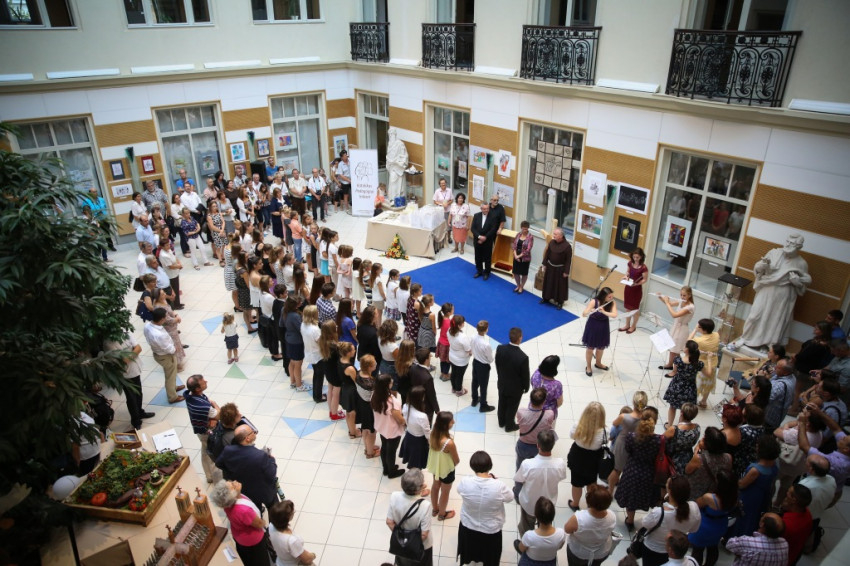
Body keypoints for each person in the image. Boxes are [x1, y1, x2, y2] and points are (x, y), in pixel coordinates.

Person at [736, 234, 812, 348]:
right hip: (767, 289)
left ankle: (769, 345)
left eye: (792, 244)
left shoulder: (801, 263)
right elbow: (758, 268)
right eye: (787, 241)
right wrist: (762, 266)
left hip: (783, 294)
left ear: (799, 247)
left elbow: (803, 286)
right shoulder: (774, 253)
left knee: (775, 320)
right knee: (755, 315)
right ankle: (746, 337)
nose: (788, 245)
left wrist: (797, 282)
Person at [455, 450, 514, 566]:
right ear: (490, 466)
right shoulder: (499, 486)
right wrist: (495, 480)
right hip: (491, 531)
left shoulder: (465, 482)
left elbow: (459, 490)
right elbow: (510, 497)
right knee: (490, 559)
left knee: (470, 551)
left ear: (472, 466)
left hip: (468, 526)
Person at [637, 476, 701, 566]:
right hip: (676, 550)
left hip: (653, 549)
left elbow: (645, 523)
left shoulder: (658, 513)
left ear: (669, 491)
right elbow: (694, 530)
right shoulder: (694, 507)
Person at [215, 424, 279, 513]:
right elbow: (271, 474)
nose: (254, 432)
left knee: (254, 511)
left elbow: (218, 463)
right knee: (273, 508)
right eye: (252, 432)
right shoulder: (261, 456)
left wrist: (233, 471)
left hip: (245, 491)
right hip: (264, 490)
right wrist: (272, 460)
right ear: (247, 438)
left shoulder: (228, 450)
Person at [614, 410, 661, 530]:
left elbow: (628, 450)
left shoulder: (631, 437)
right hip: (648, 472)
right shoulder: (658, 440)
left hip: (632, 470)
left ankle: (630, 520)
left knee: (630, 496)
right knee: (642, 494)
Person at [514, 430, 566, 535]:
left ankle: (526, 542)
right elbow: (561, 477)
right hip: (548, 505)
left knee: (526, 527)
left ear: (537, 445)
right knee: (545, 527)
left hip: (529, 503)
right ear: (553, 445)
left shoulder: (528, 464)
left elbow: (519, 479)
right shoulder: (560, 464)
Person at [209, 480, 270, 566]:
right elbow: (259, 524)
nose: (235, 482)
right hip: (252, 542)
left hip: (239, 535)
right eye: (233, 486)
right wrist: (264, 523)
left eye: (231, 482)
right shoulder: (243, 511)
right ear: (232, 496)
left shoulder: (228, 503)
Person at [797, 405, 850, 505]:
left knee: (808, 509)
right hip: (835, 489)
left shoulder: (835, 462)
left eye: (844, 439)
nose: (842, 437)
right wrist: (819, 413)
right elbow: (836, 429)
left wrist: (802, 423)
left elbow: (804, 446)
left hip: (819, 491)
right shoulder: (846, 452)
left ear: (846, 449)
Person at [730, 434, 781, 538]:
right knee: (754, 516)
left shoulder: (756, 470)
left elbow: (742, 485)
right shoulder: (774, 464)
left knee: (745, 517)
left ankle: (738, 536)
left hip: (750, 497)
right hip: (764, 494)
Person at [688, 470, 738, 566]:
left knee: (697, 550)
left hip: (704, 527)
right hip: (720, 525)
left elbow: (697, 504)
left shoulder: (710, 498)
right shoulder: (734, 498)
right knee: (713, 547)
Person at [103, 335, 153, 431]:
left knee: (138, 393)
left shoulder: (125, 333)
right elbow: (122, 361)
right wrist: (133, 352)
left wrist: (130, 355)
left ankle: (140, 412)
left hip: (135, 370)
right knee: (131, 398)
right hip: (125, 374)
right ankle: (135, 420)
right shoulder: (108, 343)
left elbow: (139, 348)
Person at [386, 468, 433, 566]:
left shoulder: (395, 496)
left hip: (400, 544)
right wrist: (411, 543)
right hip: (420, 547)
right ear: (420, 487)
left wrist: (402, 538)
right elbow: (424, 534)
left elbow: (389, 522)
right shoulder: (425, 505)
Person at [562, 484, 616, 565]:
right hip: (601, 553)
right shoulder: (612, 516)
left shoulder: (579, 518)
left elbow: (567, 529)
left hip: (579, 553)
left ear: (589, 501)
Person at [664, 340, 712, 427]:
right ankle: (681, 427)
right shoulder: (698, 364)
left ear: (686, 350)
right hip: (690, 389)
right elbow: (709, 374)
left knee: (672, 407)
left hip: (676, 386)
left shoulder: (677, 360)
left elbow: (675, 372)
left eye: (685, 346)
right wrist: (709, 359)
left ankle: (669, 425)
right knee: (685, 410)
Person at [607, 391, 648, 493]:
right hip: (637, 444)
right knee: (629, 469)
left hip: (623, 444)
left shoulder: (624, 417)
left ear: (633, 402)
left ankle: (610, 491)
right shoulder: (646, 419)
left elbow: (614, 423)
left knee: (616, 469)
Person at [182, 374, 219, 484]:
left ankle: (208, 475)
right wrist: (215, 405)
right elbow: (219, 414)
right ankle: (215, 479)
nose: (206, 381)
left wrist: (212, 418)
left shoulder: (189, 395)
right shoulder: (203, 407)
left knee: (205, 451)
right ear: (197, 389)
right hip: (207, 432)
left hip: (200, 429)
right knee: (212, 455)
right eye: (203, 382)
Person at [143, 307, 184, 404]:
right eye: (166, 317)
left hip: (158, 353)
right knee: (170, 375)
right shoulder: (159, 335)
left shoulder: (148, 325)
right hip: (166, 356)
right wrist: (175, 349)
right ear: (161, 319)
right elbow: (167, 348)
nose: (167, 318)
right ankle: (172, 397)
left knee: (172, 373)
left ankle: (173, 387)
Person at [426, 411, 459, 521]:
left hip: (436, 468)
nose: (454, 422)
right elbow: (456, 460)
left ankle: (435, 509)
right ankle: (442, 514)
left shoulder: (432, 434)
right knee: (445, 491)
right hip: (447, 470)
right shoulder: (449, 443)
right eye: (451, 421)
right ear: (445, 425)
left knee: (435, 487)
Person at [495, 327, 530, 431]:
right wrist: (526, 387)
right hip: (515, 388)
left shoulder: (500, 348)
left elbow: (497, 364)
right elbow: (525, 375)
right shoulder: (523, 357)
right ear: (520, 338)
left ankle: (501, 421)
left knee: (501, 402)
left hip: (502, 383)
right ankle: (509, 426)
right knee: (512, 406)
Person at [515, 497, 566, 566]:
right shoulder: (561, 534)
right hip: (550, 562)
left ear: (536, 516)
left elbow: (521, 549)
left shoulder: (529, 536)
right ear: (553, 515)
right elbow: (559, 547)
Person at [372, 374, 406, 478]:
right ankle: (392, 472)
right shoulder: (392, 402)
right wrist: (405, 422)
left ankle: (386, 469)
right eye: (390, 382)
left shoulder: (374, 395)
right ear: (386, 385)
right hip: (392, 430)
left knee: (384, 447)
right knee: (391, 451)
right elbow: (399, 419)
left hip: (382, 427)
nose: (392, 382)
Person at [685, 426, 732, 500]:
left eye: (704, 438)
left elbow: (687, 470)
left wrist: (696, 453)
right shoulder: (728, 457)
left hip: (695, 491)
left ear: (708, 445)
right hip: (713, 492)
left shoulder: (699, 458)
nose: (702, 439)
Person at [516, 388, 557, 470]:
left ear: (530, 399)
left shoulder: (521, 412)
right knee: (535, 468)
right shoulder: (549, 414)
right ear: (544, 402)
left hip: (523, 444)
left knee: (520, 466)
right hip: (539, 446)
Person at [658, 286, 695, 376]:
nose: (682, 297)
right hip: (675, 326)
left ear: (689, 295)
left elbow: (674, 315)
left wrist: (667, 303)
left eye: (684, 295)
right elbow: (670, 304)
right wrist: (661, 298)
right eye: (681, 295)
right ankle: (670, 364)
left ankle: (676, 371)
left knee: (676, 350)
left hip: (682, 329)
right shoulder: (681, 302)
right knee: (672, 347)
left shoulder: (690, 307)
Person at [582, 287, 617, 376]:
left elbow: (614, 315)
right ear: (603, 296)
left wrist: (604, 312)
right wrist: (590, 310)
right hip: (593, 326)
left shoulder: (612, 302)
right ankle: (588, 366)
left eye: (612, 296)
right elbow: (584, 314)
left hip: (603, 326)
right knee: (590, 348)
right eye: (609, 297)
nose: (611, 298)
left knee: (601, 347)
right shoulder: (594, 301)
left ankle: (598, 363)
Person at [268, 500, 316, 566]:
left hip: (281, 562)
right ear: (286, 518)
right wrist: (313, 555)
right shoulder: (291, 541)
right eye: (293, 512)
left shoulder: (271, 526)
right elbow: (307, 559)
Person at [399, 386, 431, 472]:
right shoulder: (422, 416)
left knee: (412, 459)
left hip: (409, 436)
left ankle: (414, 475)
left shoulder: (405, 406)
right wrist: (430, 443)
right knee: (417, 462)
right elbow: (427, 432)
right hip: (419, 441)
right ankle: (416, 478)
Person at [779, 484, 812, 565]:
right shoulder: (807, 514)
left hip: (783, 559)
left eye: (789, 492)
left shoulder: (786, 524)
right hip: (795, 553)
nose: (786, 493)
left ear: (793, 500)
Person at [664, 403, 701, 476]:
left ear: (681, 413)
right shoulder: (697, 427)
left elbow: (661, 439)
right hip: (688, 456)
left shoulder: (674, 429)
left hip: (672, 457)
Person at [540, 227, 572, 308]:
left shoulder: (567, 246)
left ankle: (560, 302)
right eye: (553, 234)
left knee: (559, 286)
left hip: (560, 270)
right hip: (550, 267)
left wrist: (566, 272)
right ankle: (546, 298)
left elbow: (568, 260)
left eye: (555, 234)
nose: (553, 235)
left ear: (561, 236)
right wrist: (544, 264)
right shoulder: (551, 242)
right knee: (548, 283)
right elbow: (547, 254)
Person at [692, 319, 720, 408]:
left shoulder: (699, 340)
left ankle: (693, 401)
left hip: (702, 365)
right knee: (709, 382)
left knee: (697, 383)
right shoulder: (716, 335)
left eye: (699, 326)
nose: (697, 327)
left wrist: (695, 330)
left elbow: (688, 341)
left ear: (703, 329)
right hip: (713, 363)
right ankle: (704, 401)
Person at [620, 247, 648, 333]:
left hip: (636, 290)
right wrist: (626, 276)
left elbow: (645, 279)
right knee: (628, 308)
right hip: (628, 288)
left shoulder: (643, 268)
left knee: (635, 309)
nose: (635, 259)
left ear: (641, 257)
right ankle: (627, 325)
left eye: (637, 257)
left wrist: (637, 284)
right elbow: (628, 272)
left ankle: (633, 326)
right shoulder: (630, 263)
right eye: (634, 257)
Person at [764, 358, 796, 431]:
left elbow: (764, 398)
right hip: (779, 415)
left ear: (785, 372)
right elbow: (775, 376)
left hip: (769, 417)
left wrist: (761, 378)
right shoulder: (792, 377)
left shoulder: (779, 385)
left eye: (778, 367)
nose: (775, 368)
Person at [410, 348, 440, 424]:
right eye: (429, 356)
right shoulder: (428, 378)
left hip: (414, 400)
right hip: (425, 406)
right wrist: (437, 409)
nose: (431, 357)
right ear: (426, 360)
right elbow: (431, 395)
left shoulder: (412, 368)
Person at [470, 320, 495, 412]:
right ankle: (483, 405)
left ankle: (474, 399)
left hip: (475, 362)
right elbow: (490, 359)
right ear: (486, 330)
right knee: (483, 386)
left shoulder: (473, 337)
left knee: (475, 382)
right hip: (483, 366)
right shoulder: (486, 344)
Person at [470, 202, 499, 280]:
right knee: (478, 256)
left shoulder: (493, 217)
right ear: (481, 209)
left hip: (488, 241)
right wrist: (479, 237)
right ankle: (479, 271)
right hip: (477, 240)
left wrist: (485, 237)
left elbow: (493, 229)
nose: (486, 210)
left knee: (487, 258)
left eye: (487, 208)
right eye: (484, 209)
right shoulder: (476, 215)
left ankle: (487, 272)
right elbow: (473, 228)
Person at [447, 314, 471, 397]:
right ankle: (459, 391)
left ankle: (453, 388)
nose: (464, 323)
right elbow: (468, 349)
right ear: (459, 325)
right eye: (463, 322)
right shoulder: (463, 337)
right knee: (459, 376)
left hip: (452, 356)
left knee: (453, 373)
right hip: (461, 361)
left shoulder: (449, 331)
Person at [385, 127, 409, 200]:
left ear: (395, 134)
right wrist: (388, 160)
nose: (390, 135)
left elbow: (404, 156)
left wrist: (396, 161)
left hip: (398, 167)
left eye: (392, 134)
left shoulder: (400, 144)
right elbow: (389, 155)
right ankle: (392, 199)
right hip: (391, 166)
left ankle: (395, 198)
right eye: (389, 134)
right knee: (392, 183)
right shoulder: (390, 144)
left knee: (395, 182)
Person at [511, 220, 534, 293]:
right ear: (521, 228)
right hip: (516, 255)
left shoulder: (530, 237)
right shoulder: (518, 234)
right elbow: (514, 245)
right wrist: (515, 255)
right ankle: (518, 285)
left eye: (526, 229)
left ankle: (521, 286)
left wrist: (519, 256)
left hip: (525, 258)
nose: (525, 230)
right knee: (515, 272)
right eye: (524, 229)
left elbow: (528, 249)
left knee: (524, 273)